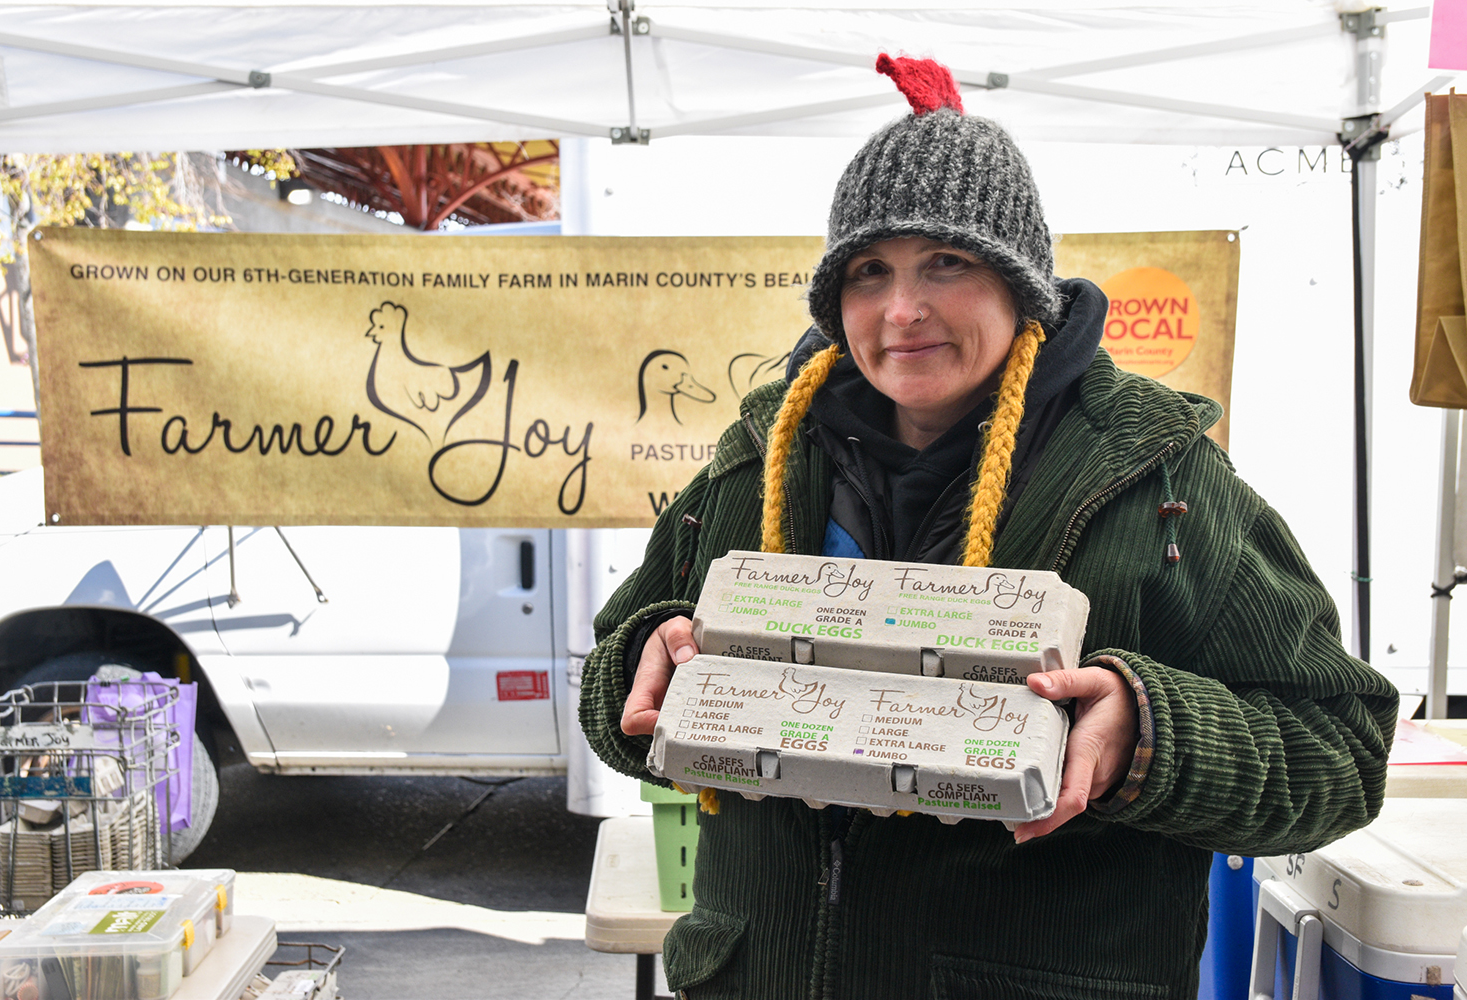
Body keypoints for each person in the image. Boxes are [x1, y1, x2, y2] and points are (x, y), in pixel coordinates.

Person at [580, 54, 1397, 1000]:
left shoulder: (1152, 472)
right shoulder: (761, 452)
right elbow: (612, 676)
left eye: (948, 264)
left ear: (1020, 286)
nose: (902, 310)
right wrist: (648, 667)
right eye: (868, 272)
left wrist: (1148, 735)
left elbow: (1341, 746)